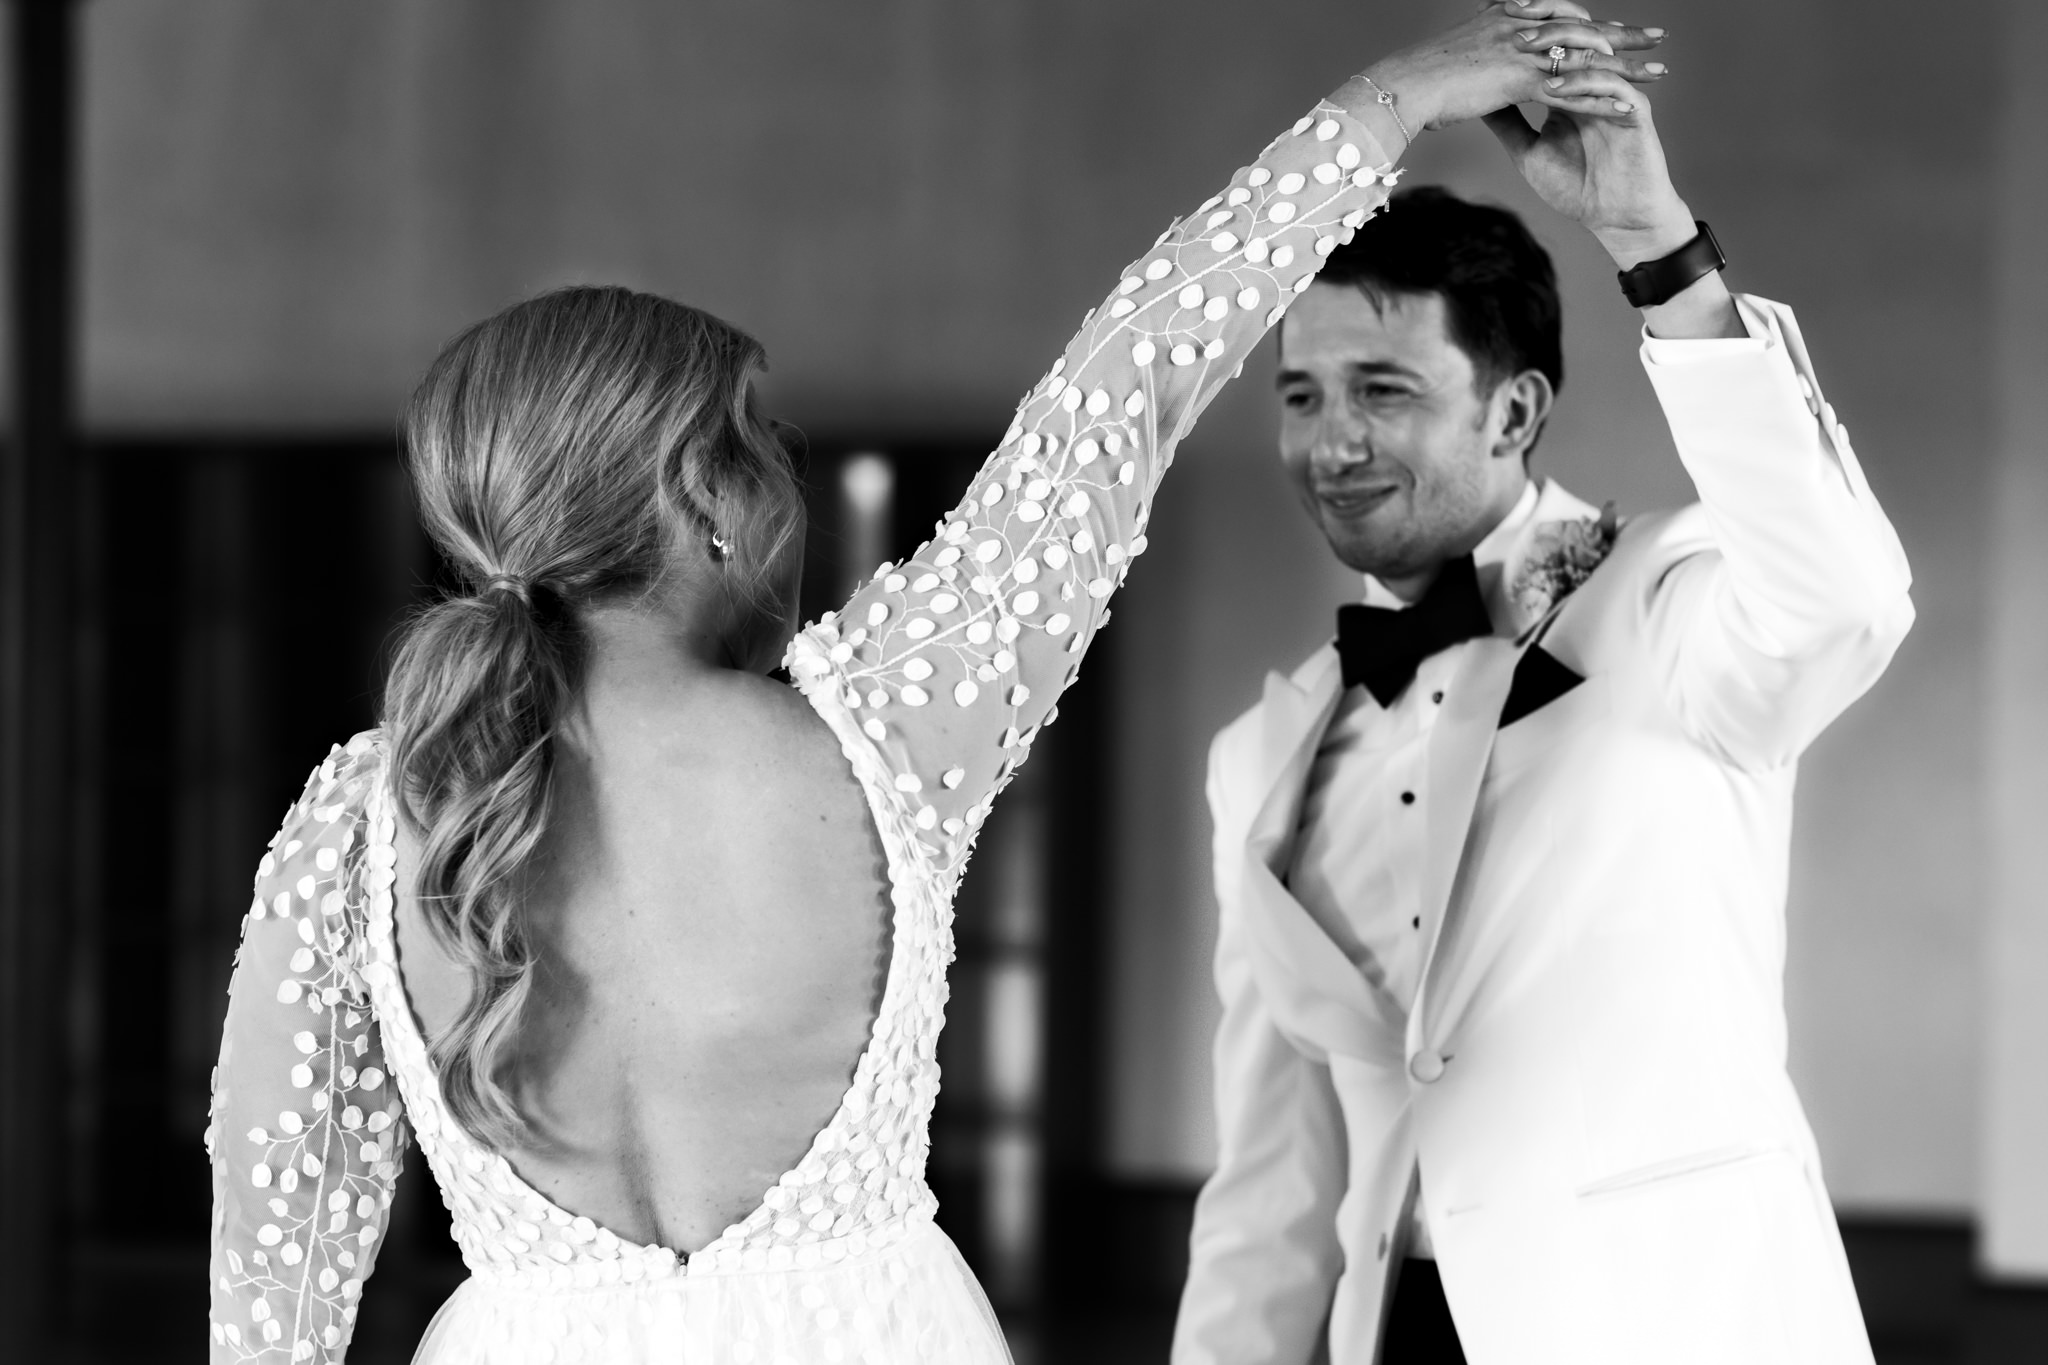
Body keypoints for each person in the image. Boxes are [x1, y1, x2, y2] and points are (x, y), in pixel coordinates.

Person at [203, 6, 1663, 1362]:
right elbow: (1128, 381)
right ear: (701, 495)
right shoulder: (884, 722)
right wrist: (1388, 102)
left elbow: (269, 1320)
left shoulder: (358, 827)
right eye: (756, 439)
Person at [1172, 28, 1915, 1365]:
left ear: (1514, 415)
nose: (1329, 442)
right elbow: (1271, 1175)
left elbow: (1846, 597)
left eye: (1382, 390)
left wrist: (1654, 240)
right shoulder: (1259, 755)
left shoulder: (1669, 596)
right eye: (1301, 394)